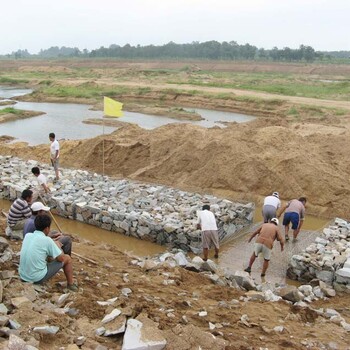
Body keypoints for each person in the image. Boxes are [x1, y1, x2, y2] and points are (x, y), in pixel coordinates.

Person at [19, 214, 78, 291]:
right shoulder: (47, 241)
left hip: (23, 275)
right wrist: (57, 247)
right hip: (36, 278)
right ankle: (71, 284)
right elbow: (61, 258)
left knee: (47, 255)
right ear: (47, 228)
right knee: (67, 258)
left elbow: (41, 242)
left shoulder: (28, 235)